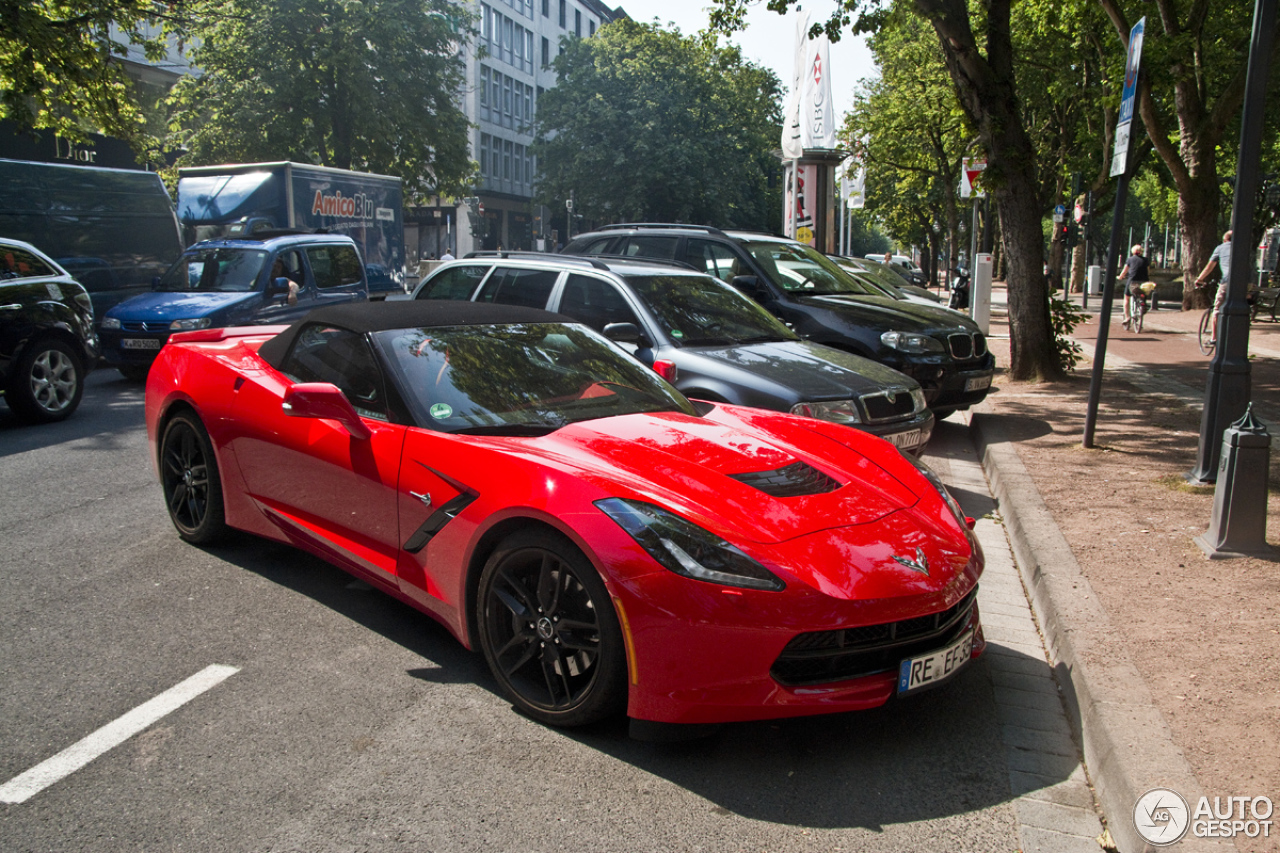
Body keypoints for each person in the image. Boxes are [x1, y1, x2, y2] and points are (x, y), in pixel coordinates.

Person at [1195, 230, 1232, 343]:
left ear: (1225, 240)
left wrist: (1199, 279)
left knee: (1217, 309)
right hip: (1244, 283)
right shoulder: (1242, 248)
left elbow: (1209, 267)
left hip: (1227, 282)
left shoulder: (1220, 248)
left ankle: (1214, 338)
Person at [1119, 244, 1150, 328]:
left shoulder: (1130, 259)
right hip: (1144, 283)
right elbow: (1148, 271)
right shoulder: (1146, 260)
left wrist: (1120, 277)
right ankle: (1143, 304)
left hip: (1132, 282)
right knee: (1143, 295)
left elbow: (1124, 271)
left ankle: (1127, 317)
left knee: (1126, 299)